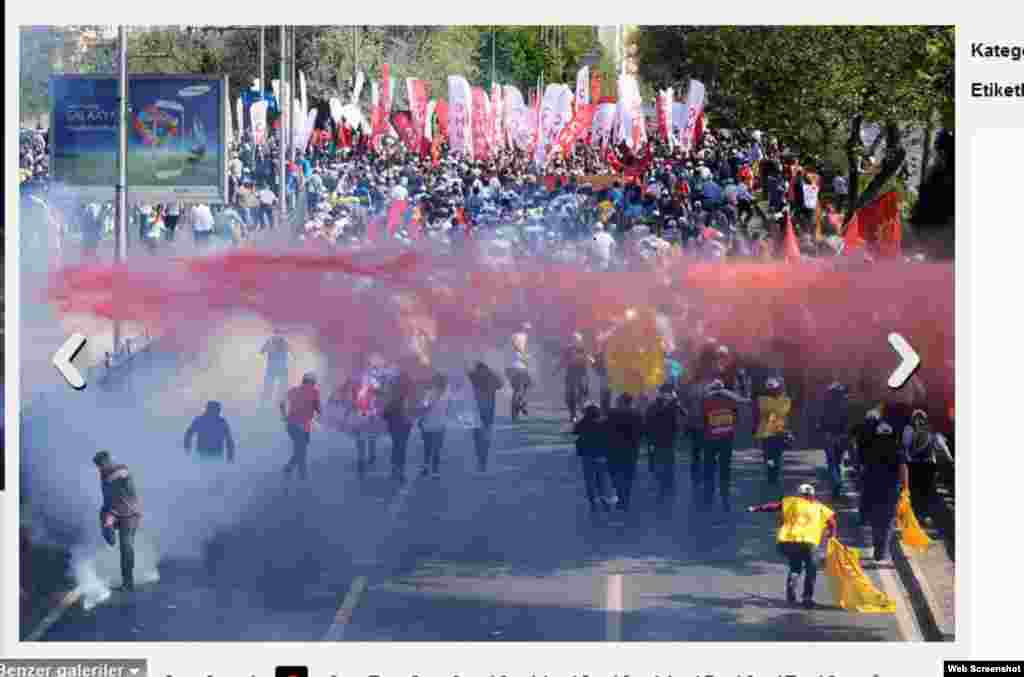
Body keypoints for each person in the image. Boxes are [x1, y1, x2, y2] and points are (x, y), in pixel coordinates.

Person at [747, 483, 837, 608]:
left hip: (788, 541)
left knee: (795, 566)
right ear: (813, 495)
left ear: (799, 494)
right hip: (809, 542)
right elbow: (832, 523)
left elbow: (773, 507)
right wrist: (831, 536)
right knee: (811, 569)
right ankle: (807, 597)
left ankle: (792, 587)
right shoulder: (820, 507)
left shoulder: (792, 502)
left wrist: (755, 508)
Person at [860, 418, 909, 562]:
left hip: (873, 488)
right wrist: (905, 487)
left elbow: (863, 468)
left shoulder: (870, 448)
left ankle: (878, 546)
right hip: (891, 489)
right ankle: (882, 551)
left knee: (875, 519)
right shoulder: (897, 449)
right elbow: (903, 469)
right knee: (888, 520)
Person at [93, 451, 142, 592]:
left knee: (126, 546)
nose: (99, 468)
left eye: (101, 465)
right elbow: (109, 499)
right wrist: (108, 521)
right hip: (112, 512)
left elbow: (124, 473)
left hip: (130, 515)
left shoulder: (120, 468)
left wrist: (115, 476)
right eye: (98, 466)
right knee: (104, 516)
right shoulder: (102, 473)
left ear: (108, 461)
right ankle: (109, 534)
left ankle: (128, 582)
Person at [701, 378, 751, 511]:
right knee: (725, 467)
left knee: (709, 467)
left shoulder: (707, 399)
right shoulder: (731, 399)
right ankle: (724, 495)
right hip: (726, 438)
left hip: (711, 438)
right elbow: (737, 415)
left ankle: (708, 496)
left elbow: (703, 418)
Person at [902, 409, 953, 526]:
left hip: (916, 465)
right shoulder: (930, 430)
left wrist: (906, 460)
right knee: (925, 491)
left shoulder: (909, 430)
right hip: (927, 465)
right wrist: (949, 459)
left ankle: (919, 515)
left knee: (916, 491)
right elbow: (941, 445)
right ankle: (923, 515)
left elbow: (905, 446)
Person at [645, 383, 687, 509]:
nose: (668, 394)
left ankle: (665, 489)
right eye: (668, 392)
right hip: (661, 440)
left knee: (666, 464)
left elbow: (684, 414)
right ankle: (663, 489)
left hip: (665, 440)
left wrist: (676, 403)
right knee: (662, 464)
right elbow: (649, 419)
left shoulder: (672, 405)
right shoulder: (659, 405)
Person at [605, 393, 645, 513]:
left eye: (618, 401)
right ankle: (624, 499)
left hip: (614, 450)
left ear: (622, 402)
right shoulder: (637, 415)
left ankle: (621, 496)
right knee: (627, 476)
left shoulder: (612, 414)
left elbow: (605, 430)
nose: (617, 402)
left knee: (615, 475)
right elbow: (641, 432)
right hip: (630, 450)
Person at [280, 372, 322, 481]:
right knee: (301, 451)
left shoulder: (293, 390)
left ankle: (289, 468)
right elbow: (318, 408)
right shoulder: (314, 392)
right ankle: (302, 476)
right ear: (312, 382)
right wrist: (321, 417)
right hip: (302, 427)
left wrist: (284, 416)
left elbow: (282, 403)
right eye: (313, 382)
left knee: (300, 450)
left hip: (292, 426)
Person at [573, 403, 612, 514]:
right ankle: (604, 498)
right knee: (601, 479)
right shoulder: (603, 422)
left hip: (587, 455)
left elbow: (575, 431)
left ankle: (593, 501)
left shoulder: (583, 422)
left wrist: (576, 421)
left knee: (589, 480)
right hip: (601, 454)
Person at [753, 377, 792, 483]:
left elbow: (760, 414)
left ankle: (772, 473)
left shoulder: (762, 400)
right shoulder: (784, 400)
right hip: (775, 432)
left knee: (772, 456)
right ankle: (773, 473)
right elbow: (783, 413)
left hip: (771, 433)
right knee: (774, 456)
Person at [468, 360, 504, 472]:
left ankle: (480, 460)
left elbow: (465, 378)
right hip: (488, 412)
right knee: (486, 437)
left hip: (476, 412)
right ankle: (483, 460)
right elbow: (500, 384)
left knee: (477, 438)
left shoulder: (473, 377)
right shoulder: (491, 377)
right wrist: (492, 373)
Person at [819, 380, 852, 492]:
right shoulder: (844, 403)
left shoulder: (826, 405)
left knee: (832, 461)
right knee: (837, 461)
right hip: (840, 436)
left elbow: (821, 421)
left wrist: (822, 431)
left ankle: (836, 481)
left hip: (830, 436)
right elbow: (847, 421)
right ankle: (837, 481)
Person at [419, 372, 450, 478]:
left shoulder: (429, 394)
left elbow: (424, 407)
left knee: (427, 448)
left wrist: (421, 418)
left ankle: (426, 467)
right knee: (437, 449)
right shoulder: (447, 395)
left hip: (428, 424)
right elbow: (448, 409)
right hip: (440, 425)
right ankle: (435, 470)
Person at [559, 333, 594, 424]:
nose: (575, 341)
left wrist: (590, 359)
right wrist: (556, 370)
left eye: (577, 339)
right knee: (570, 396)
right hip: (571, 375)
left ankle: (585, 412)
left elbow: (591, 360)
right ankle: (573, 414)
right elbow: (562, 361)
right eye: (573, 339)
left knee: (583, 396)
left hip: (582, 375)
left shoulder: (584, 349)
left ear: (580, 340)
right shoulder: (568, 349)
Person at [506, 322, 532, 418]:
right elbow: (517, 346)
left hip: (516, 368)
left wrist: (525, 357)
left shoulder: (516, 337)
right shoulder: (519, 337)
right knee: (520, 389)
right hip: (518, 368)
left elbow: (517, 347)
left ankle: (519, 406)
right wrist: (525, 357)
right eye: (527, 329)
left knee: (521, 389)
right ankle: (520, 405)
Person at [260, 333, 292, 404]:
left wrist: (268, 349)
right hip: (281, 367)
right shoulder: (284, 341)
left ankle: (266, 400)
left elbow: (261, 351)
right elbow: (291, 351)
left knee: (269, 385)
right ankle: (279, 400)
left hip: (272, 367)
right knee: (282, 386)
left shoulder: (270, 341)